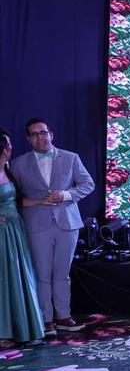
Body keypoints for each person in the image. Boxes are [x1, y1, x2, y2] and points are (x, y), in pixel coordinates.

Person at [10, 118, 95, 333]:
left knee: (62, 273)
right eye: (35, 134)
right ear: (29, 139)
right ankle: (45, 319)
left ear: (51, 134)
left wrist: (65, 195)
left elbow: (88, 184)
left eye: (44, 132)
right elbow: (13, 196)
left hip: (67, 223)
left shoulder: (71, 158)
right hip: (36, 224)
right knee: (42, 274)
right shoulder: (18, 164)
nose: (40, 137)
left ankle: (64, 316)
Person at [0, 129, 47, 348]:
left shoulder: (7, 170)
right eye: (8, 144)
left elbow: (17, 201)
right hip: (2, 233)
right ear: (3, 149)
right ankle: (3, 332)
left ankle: (22, 328)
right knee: (4, 279)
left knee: (19, 277)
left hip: (16, 230)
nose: (11, 147)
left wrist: (43, 201)